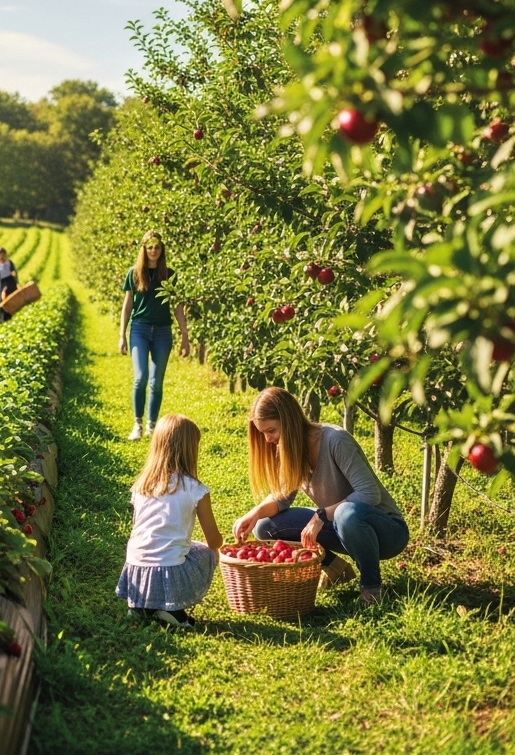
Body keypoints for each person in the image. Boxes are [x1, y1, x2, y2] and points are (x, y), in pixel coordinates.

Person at [232, 387, 409, 606]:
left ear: (289, 422)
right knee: (265, 526)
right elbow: (282, 499)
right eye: (263, 433)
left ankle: (371, 588)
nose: (268, 439)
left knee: (346, 513)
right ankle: (336, 569)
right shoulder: (289, 447)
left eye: (271, 431)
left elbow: (369, 494)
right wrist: (255, 513)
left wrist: (321, 516)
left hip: (386, 532)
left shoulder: (335, 440)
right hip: (342, 528)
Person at [115, 414, 223, 627]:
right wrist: (216, 552)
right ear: (191, 450)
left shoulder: (141, 487)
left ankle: (139, 606)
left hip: (135, 565)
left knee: (162, 550)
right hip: (169, 569)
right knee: (203, 552)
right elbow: (214, 539)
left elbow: (139, 529)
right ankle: (172, 609)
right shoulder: (196, 490)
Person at [119, 231, 190, 441]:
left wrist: (185, 335)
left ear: (162, 249)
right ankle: (137, 424)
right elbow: (128, 304)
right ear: (144, 249)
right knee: (140, 378)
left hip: (162, 332)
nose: (153, 251)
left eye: (157, 247)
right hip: (139, 329)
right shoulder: (134, 273)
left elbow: (177, 306)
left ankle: (152, 426)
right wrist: (122, 334)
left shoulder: (169, 274)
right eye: (149, 247)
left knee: (156, 382)